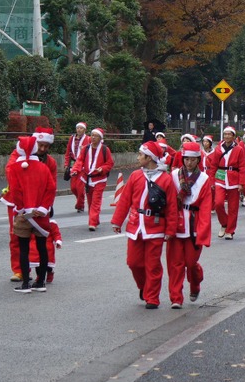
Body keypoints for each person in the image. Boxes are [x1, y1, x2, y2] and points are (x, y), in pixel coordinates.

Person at [111, 141, 178, 309]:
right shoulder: (135, 176)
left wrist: (170, 229)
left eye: (141, 155)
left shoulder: (166, 179)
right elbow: (125, 200)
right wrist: (117, 221)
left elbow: (171, 207)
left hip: (155, 227)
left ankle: (152, 298)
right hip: (135, 226)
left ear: (149, 158)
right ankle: (144, 286)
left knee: (153, 264)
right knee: (134, 263)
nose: (138, 157)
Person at [7, 136, 56, 293]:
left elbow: (15, 191)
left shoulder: (15, 168)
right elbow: (51, 188)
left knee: (23, 248)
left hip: (25, 215)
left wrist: (22, 208)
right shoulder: (44, 168)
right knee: (42, 247)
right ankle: (40, 282)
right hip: (41, 215)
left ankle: (26, 283)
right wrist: (43, 207)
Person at [168, 141, 212, 307]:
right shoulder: (173, 176)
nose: (189, 162)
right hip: (176, 223)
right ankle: (176, 298)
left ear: (198, 160)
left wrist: (203, 231)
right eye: (186, 159)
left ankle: (195, 283)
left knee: (191, 263)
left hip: (193, 224)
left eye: (193, 159)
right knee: (176, 264)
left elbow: (206, 207)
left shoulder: (204, 179)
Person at [206, 126, 245, 240]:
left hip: (234, 179)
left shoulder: (239, 149)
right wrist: (212, 180)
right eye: (225, 134)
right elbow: (213, 165)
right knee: (218, 203)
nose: (227, 136)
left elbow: (243, 167)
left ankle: (230, 230)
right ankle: (224, 223)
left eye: (229, 134)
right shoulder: (218, 149)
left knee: (233, 207)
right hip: (220, 178)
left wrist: (241, 183)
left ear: (233, 136)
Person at [71, 127, 115, 231]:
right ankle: (95, 219)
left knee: (96, 202)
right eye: (92, 135)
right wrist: (75, 170)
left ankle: (92, 223)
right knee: (90, 202)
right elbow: (80, 161)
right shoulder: (86, 148)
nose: (93, 137)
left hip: (99, 180)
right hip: (87, 179)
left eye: (96, 136)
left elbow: (109, 163)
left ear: (100, 138)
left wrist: (102, 168)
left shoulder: (105, 149)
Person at [64, 122, 90, 213]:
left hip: (83, 166)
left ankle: (80, 205)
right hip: (73, 165)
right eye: (77, 128)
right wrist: (66, 164)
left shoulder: (88, 139)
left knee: (79, 187)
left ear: (84, 130)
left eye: (81, 128)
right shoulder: (72, 138)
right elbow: (68, 152)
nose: (79, 130)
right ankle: (80, 200)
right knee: (73, 188)